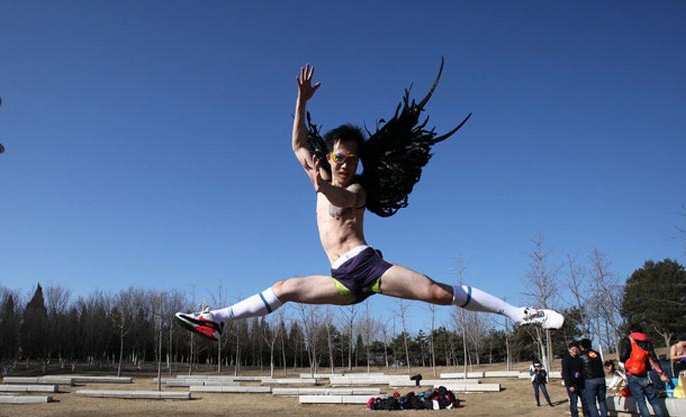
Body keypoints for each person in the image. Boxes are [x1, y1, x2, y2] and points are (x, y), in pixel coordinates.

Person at [175, 64, 564, 341]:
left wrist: (322, 189)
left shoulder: (356, 190)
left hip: (370, 266)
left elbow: (341, 198)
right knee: (284, 287)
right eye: (340, 157)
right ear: (329, 157)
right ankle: (217, 318)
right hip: (342, 280)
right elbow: (296, 144)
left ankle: (518, 314)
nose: (346, 163)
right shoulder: (320, 170)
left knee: (437, 294)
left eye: (353, 158)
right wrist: (301, 100)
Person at [619, 325, 674, 417]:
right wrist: (661, 373)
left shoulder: (627, 340)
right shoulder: (647, 342)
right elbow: (653, 358)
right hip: (646, 374)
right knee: (654, 400)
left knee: (641, 402)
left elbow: (623, 357)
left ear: (631, 331)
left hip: (632, 374)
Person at [578, 339, 610, 417]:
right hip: (601, 379)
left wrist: (576, 376)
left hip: (590, 380)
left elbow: (579, 369)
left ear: (582, 347)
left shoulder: (581, 356)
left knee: (591, 403)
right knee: (602, 400)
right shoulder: (597, 354)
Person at [560, 341, 588, 417]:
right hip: (572, 384)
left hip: (580, 383)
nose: (574, 351)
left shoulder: (579, 358)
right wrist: (570, 385)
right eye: (573, 349)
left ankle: (587, 416)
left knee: (584, 400)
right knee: (574, 402)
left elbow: (582, 370)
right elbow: (565, 373)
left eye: (576, 349)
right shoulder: (566, 360)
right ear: (569, 350)